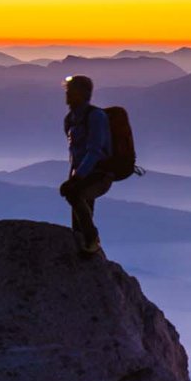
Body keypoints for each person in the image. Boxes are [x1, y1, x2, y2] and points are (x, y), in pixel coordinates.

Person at [59, 75, 113, 255]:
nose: (67, 95)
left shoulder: (96, 116)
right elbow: (75, 153)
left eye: (71, 91)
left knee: (75, 195)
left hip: (100, 174)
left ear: (82, 93)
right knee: (78, 206)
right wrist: (73, 177)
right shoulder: (70, 119)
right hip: (82, 174)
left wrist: (76, 178)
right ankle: (84, 245)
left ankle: (91, 239)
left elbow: (95, 151)